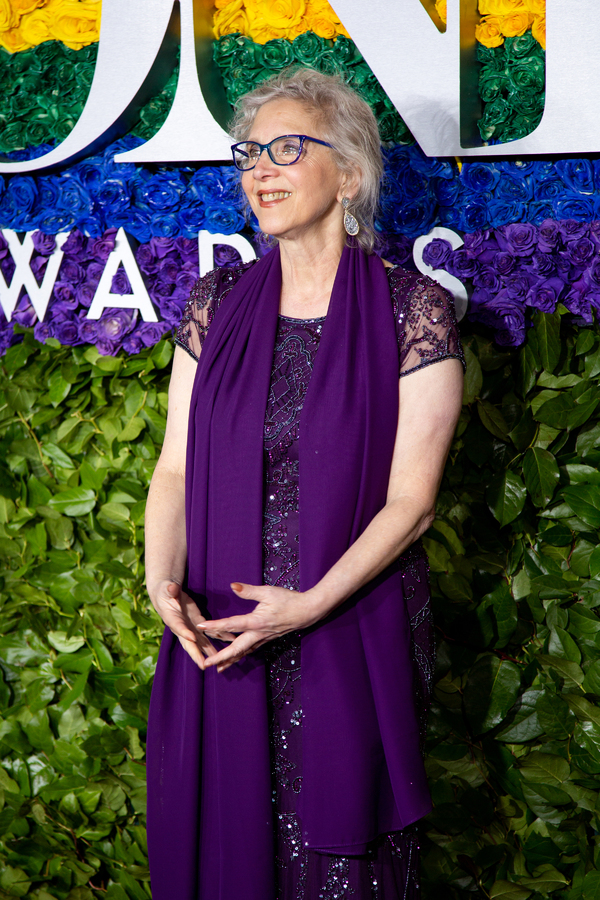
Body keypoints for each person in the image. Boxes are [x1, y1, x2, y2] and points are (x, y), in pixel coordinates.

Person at [144, 67, 465, 900]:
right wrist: (159, 582)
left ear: (349, 174)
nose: (260, 170)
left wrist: (311, 603)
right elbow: (174, 466)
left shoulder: (413, 309)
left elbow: (413, 503)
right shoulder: (214, 304)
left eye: (288, 148)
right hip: (221, 634)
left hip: (345, 629)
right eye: (250, 153)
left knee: (338, 862)